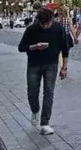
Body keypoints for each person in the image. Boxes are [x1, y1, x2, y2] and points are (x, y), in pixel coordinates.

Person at [17, 7, 69, 136]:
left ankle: (45, 123)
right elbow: (21, 47)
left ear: (52, 20)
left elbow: (65, 48)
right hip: (34, 64)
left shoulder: (58, 29)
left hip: (51, 64)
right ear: (38, 21)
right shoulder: (31, 29)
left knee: (48, 92)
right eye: (43, 24)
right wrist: (34, 47)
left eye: (48, 23)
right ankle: (35, 110)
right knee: (32, 91)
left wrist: (64, 67)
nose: (46, 26)